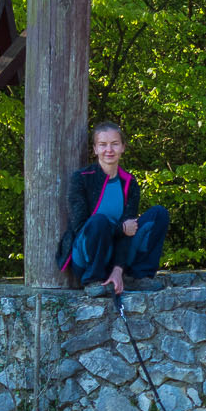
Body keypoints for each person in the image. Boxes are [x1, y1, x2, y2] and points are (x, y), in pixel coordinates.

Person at [58, 121, 170, 292]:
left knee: (159, 214)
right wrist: (119, 229)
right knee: (99, 221)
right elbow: (81, 227)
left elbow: (129, 229)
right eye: (103, 145)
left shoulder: (129, 182)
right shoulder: (81, 178)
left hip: (117, 253)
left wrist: (118, 269)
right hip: (88, 256)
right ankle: (93, 281)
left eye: (114, 144)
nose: (109, 150)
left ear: (123, 147)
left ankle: (135, 277)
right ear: (95, 149)